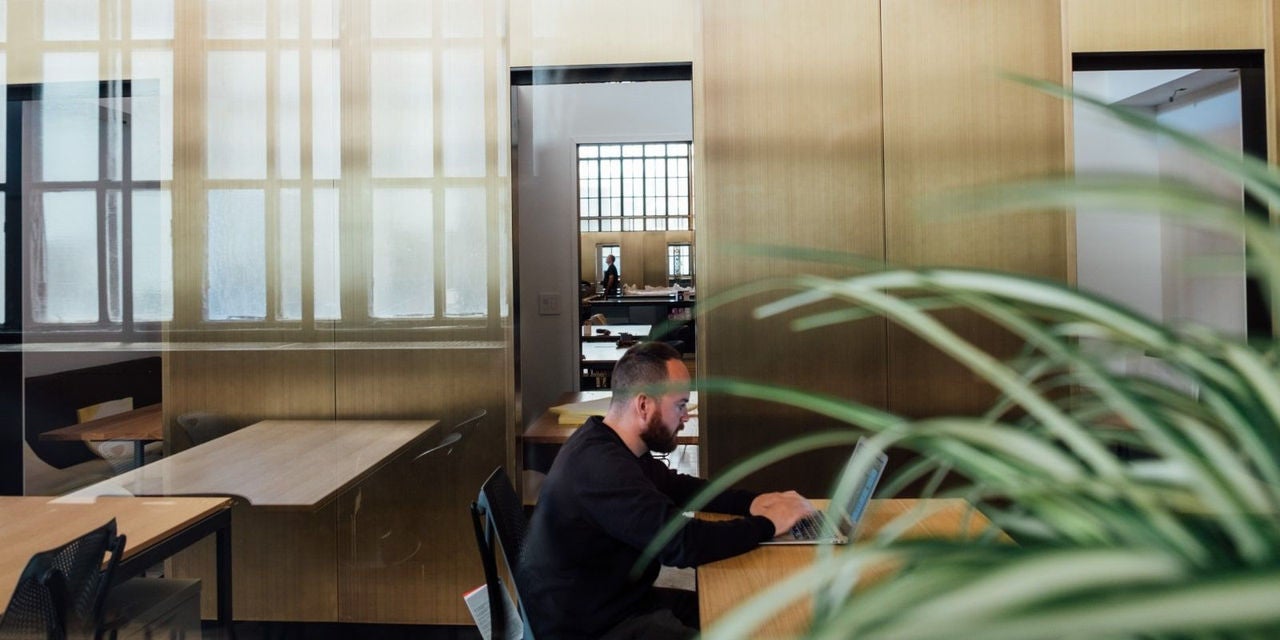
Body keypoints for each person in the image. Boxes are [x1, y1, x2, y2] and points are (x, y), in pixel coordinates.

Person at [519, 342, 815, 639]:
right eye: (680, 405)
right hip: (587, 627)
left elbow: (676, 485)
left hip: (614, 602)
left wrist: (752, 503)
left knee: (740, 610)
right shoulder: (601, 467)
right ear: (644, 404)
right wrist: (767, 525)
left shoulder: (608, 441)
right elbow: (682, 544)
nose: (685, 416)